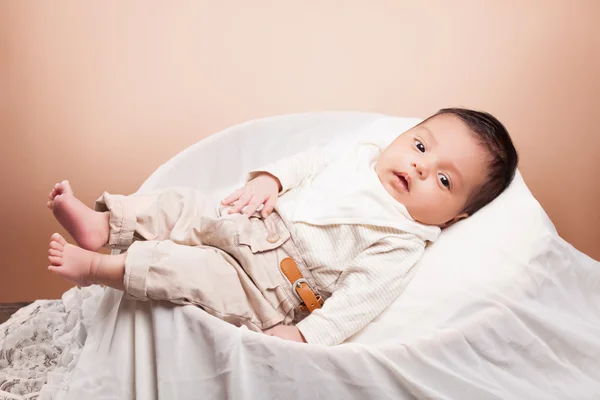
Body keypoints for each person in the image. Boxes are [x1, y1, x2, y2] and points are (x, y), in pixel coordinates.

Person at [46, 108, 518, 346]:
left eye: (442, 178)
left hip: (275, 286)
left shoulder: (402, 241)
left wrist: (309, 336)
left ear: (454, 217)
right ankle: (106, 225)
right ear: (403, 136)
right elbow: (308, 163)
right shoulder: (360, 159)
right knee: (185, 205)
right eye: (420, 146)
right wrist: (273, 179)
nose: (420, 167)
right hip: (253, 222)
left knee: (192, 271)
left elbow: (361, 300)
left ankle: (98, 268)